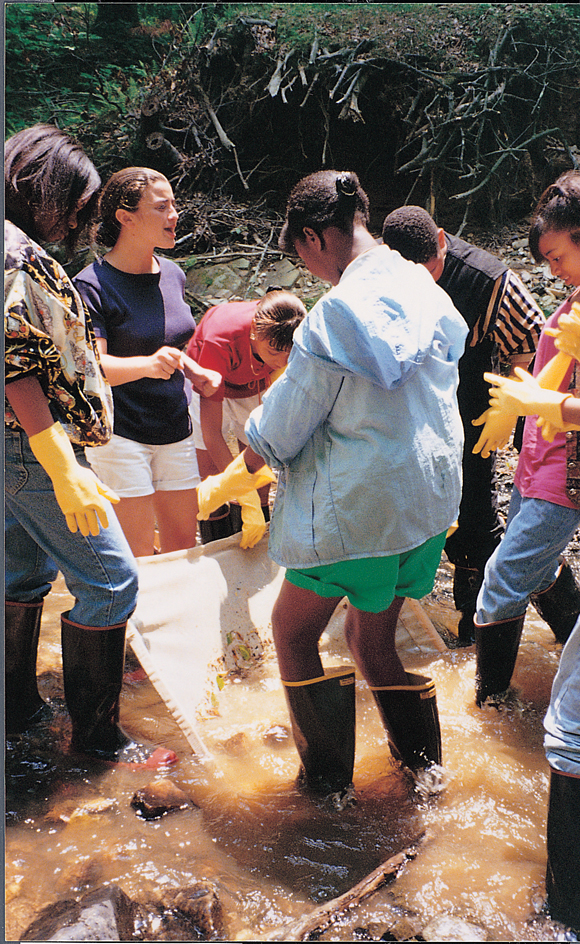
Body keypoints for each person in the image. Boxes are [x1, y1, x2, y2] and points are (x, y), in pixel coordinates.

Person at [196, 170, 468, 807]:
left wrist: (236, 467)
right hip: (427, 505)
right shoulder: (424, 285)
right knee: (370, 641)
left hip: (360, 513)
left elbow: (278, 431)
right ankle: (425, 781)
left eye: (300, 250)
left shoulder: (332, 318)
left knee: (290, 634)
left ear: (316, 238)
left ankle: (323, 794)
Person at [485, 200, 580, 935]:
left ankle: (573, 923)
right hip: (546, 472)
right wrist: (535, 404)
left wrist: (571, 389)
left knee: (579, 728)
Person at [4, 124, 175, 768]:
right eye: (77, 201)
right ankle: (100, 744)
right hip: (30, 446)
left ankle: (18, 712)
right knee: (112, 580)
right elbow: (14, 362)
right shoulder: (16, 255)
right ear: (41, 188)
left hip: (16, 447)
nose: (84, 217)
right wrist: (62, 468)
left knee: (21, 574)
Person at [470, 172, 580, 708]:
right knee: (536, 569)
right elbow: (548, 375)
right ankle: (575, 653)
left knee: (502, 577)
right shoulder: (578, 295)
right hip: (536, 460)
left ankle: (492, 706)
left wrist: (538, 405)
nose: (552, 270)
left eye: (556, 256)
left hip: (571, 471)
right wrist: (512, 408)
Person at [382, 206, 546, 646]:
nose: (424, 281)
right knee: (423, 511)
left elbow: (532, 343)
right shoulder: (381, 271)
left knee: (475, 512)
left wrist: (510, 406)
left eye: (430, 268)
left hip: (477, 404)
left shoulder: (488, 278)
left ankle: (480, 627)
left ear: (441, 240)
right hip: (415, 408)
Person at [73, 167, 220, 558]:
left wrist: (196, 370)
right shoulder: (92, 285)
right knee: (138, 557)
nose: (175, 214)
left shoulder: (173, 274)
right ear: (126, 218)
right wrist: (149, 365)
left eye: (174, 205)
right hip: (121, 435)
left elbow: (168, 345)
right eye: (162, 207)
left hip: (175, 428)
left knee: (182, 552)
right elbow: (94, 369)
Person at [186, 290, 306, 547]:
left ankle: (257, 541)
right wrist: (240, 491)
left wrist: (253, 494)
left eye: (290, 353)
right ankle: (216, 546)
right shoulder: (221, 338)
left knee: (258, 470)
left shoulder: (288, 327)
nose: (282, 361)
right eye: (275, 352)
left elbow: (263, 438)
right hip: (209, 377)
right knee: (210, 473)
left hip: (253, 383)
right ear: (255, 333)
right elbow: (212, 434)